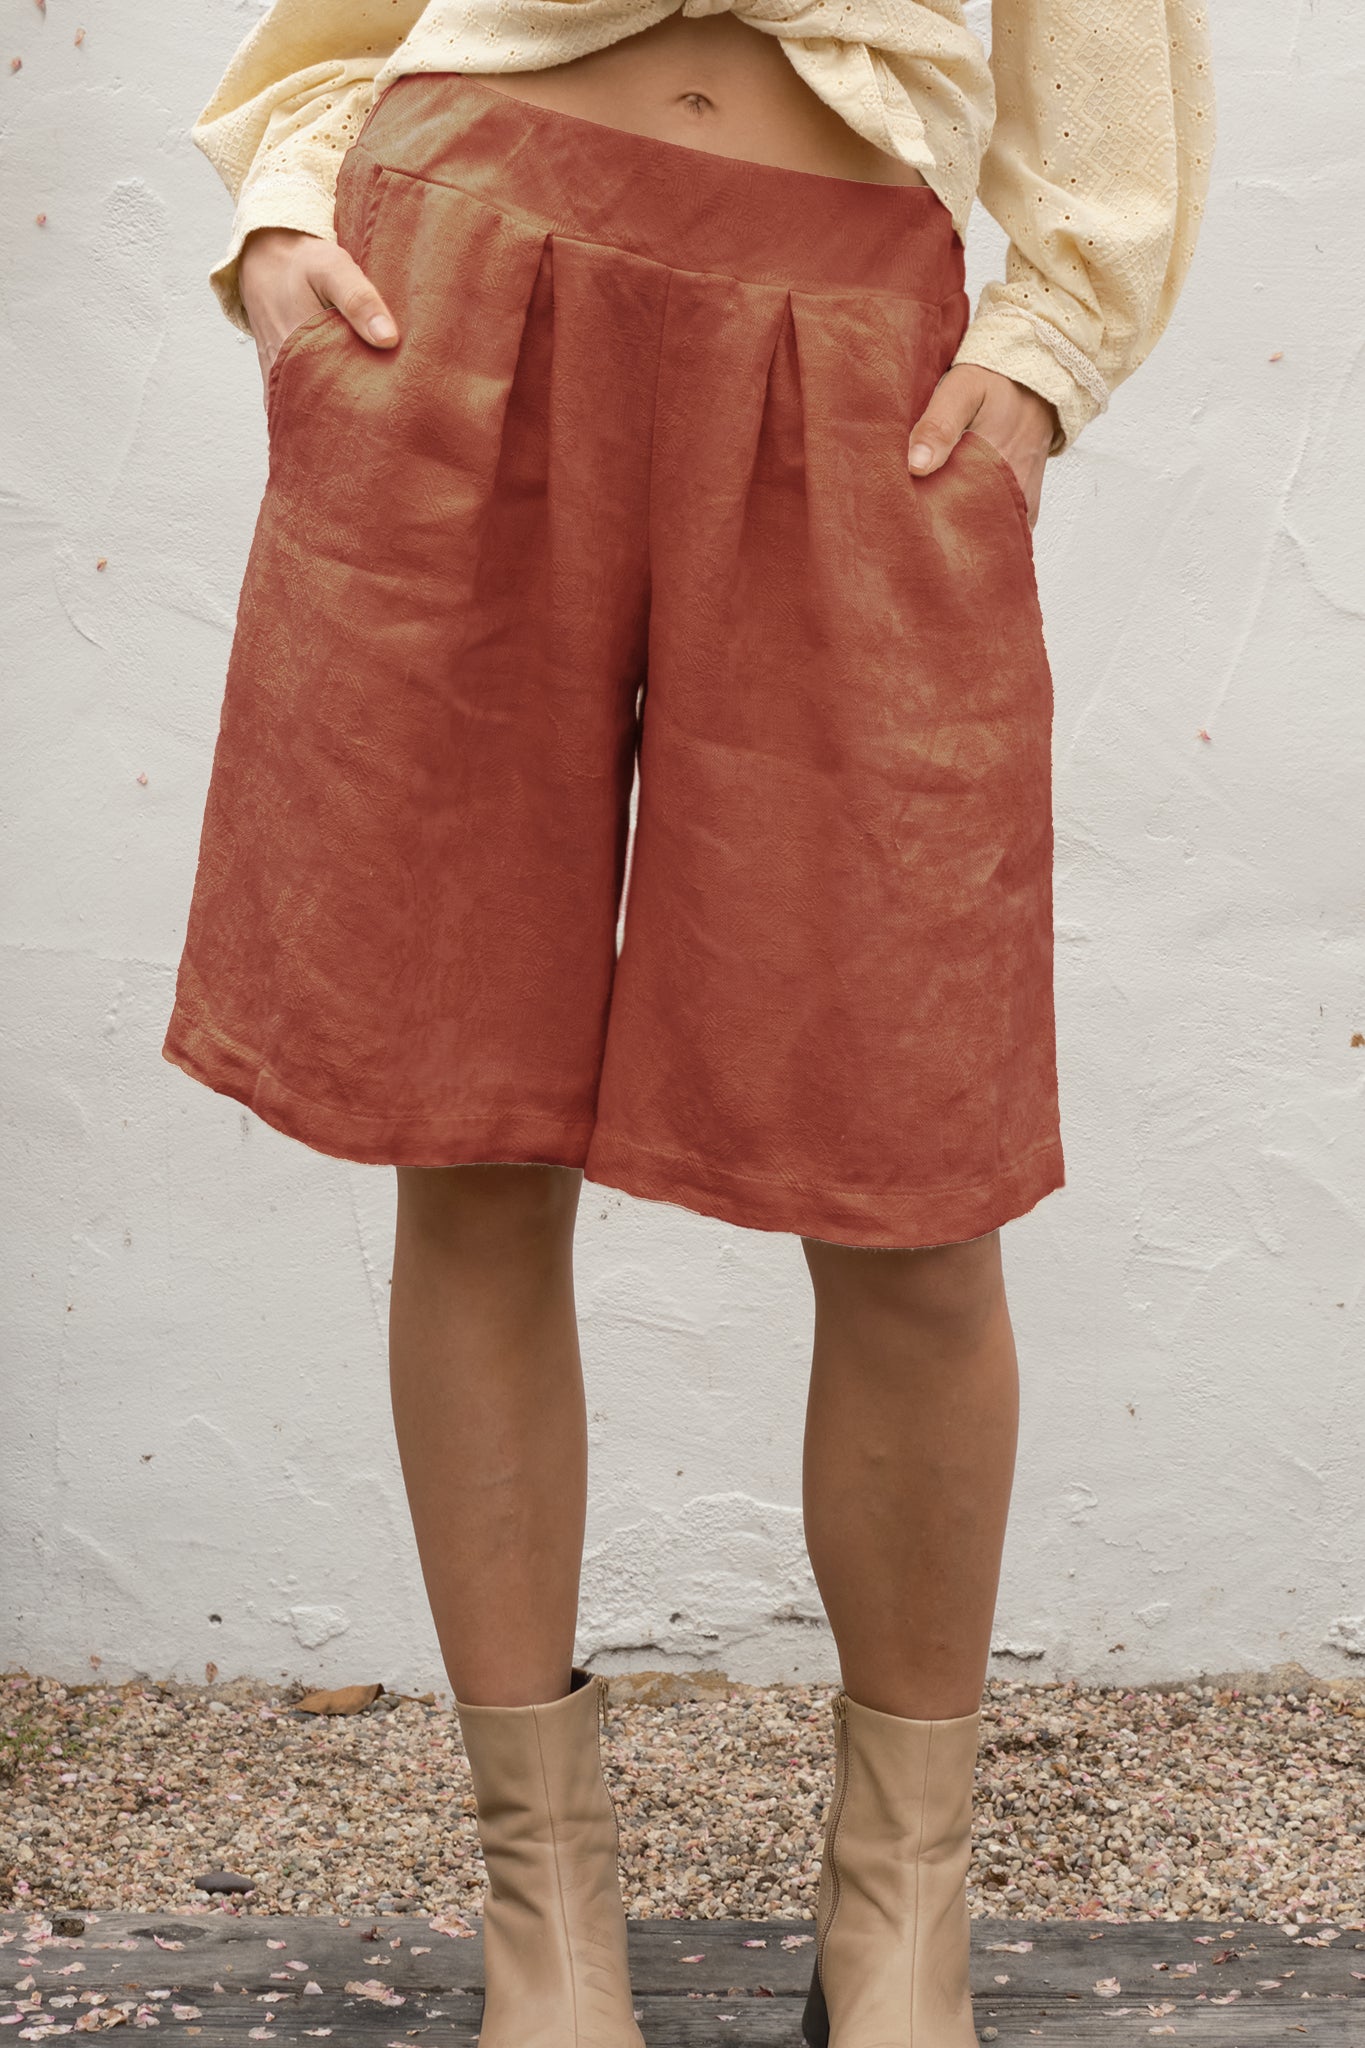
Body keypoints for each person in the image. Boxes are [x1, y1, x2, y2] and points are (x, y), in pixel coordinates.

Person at [163, 2, 1214, 2041]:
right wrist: (289, 212)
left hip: (849, 351)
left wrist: (1040, 353)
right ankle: (539, 1913)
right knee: (470, 1131)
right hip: (459, 282)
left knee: (912, 1174)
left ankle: (898, 1911)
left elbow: (1109, 74)